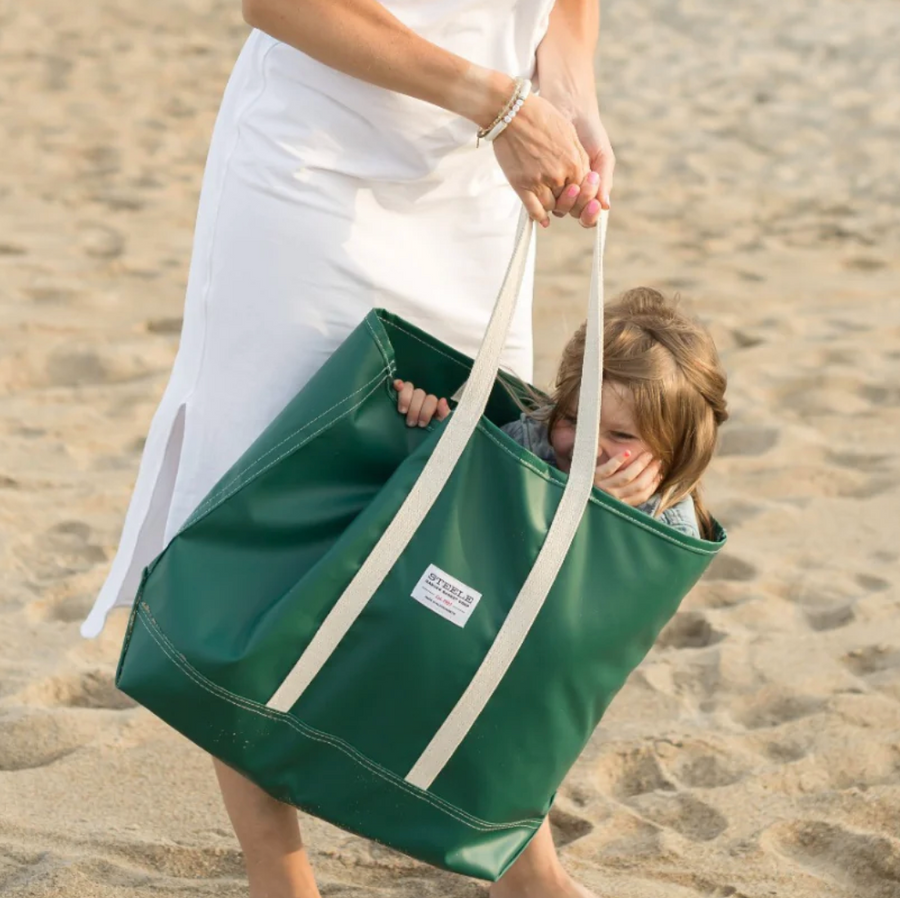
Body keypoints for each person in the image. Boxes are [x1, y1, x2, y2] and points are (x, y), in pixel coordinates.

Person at [79, 0, 618, 895]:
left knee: (479, 516)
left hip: (480, 179)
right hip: (314, 173)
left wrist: (568, 96)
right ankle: (280, 882)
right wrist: (501, 106)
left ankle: (531, 873)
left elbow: (563, 11)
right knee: (271, 522)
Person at [395, 288, 730, 541]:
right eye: (574, 420)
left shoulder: (667, 531)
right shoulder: (527, 443)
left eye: (622, 435)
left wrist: (595, 513)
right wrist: (428, 429)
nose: (587, 445)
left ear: (676, 448)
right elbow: (461, 514)